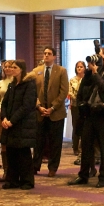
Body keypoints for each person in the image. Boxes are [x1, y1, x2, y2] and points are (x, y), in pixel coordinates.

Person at [68, 47, 104, 188]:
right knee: (85, 145)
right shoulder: (93, 71)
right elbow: (83, 87)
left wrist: (96, 72)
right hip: (89, 113)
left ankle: (103, 176)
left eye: (100, 57)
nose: (97, 60)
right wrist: (80, 102)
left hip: (103, 113)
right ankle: (83, 175)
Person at [32, 46, 69, 177]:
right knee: (38, 141)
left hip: (56, 113)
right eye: (45, 53)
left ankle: (52, 168)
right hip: (40, 112)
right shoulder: (36, 71)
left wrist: (52, 107)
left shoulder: (61, 71)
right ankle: (35, 166)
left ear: (54, 56)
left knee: (55, 142)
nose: (46, 55)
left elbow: (64, 91)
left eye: (49, 54)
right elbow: (32, 92)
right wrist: (38, 106)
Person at [0, 59, 37, 190]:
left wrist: (12, 120)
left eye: (15, 67)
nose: (12, 69)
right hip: (10, 124)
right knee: (11, 153)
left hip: (22, 124)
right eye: (11, 67)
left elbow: (26, 106)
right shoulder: (12, 84)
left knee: (23, 154)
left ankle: (27, 181)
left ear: (21, 69)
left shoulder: (29, 84)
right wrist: (4, 118)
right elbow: (4, 103)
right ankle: (13, 180)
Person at [0, 60, 13, 182]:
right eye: (5, 67)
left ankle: (13, 170)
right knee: (3, 144)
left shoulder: (17, 82)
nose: (7, 69)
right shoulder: (0, 83)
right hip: (1, 115)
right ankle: (6, 171)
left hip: (13, 116)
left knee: (13, 144)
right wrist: (1, 109)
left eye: (9, 66)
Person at [69, 61, 86, 165]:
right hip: (75, 105)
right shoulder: (72, 80)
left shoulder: (87, 79)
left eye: (81, 67)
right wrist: (78, 99)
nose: (79, 68)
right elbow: (70, 92)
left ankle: (83, 146)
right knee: (76, 126)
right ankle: (75, 147)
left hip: (85, 105)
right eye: (78, 67)